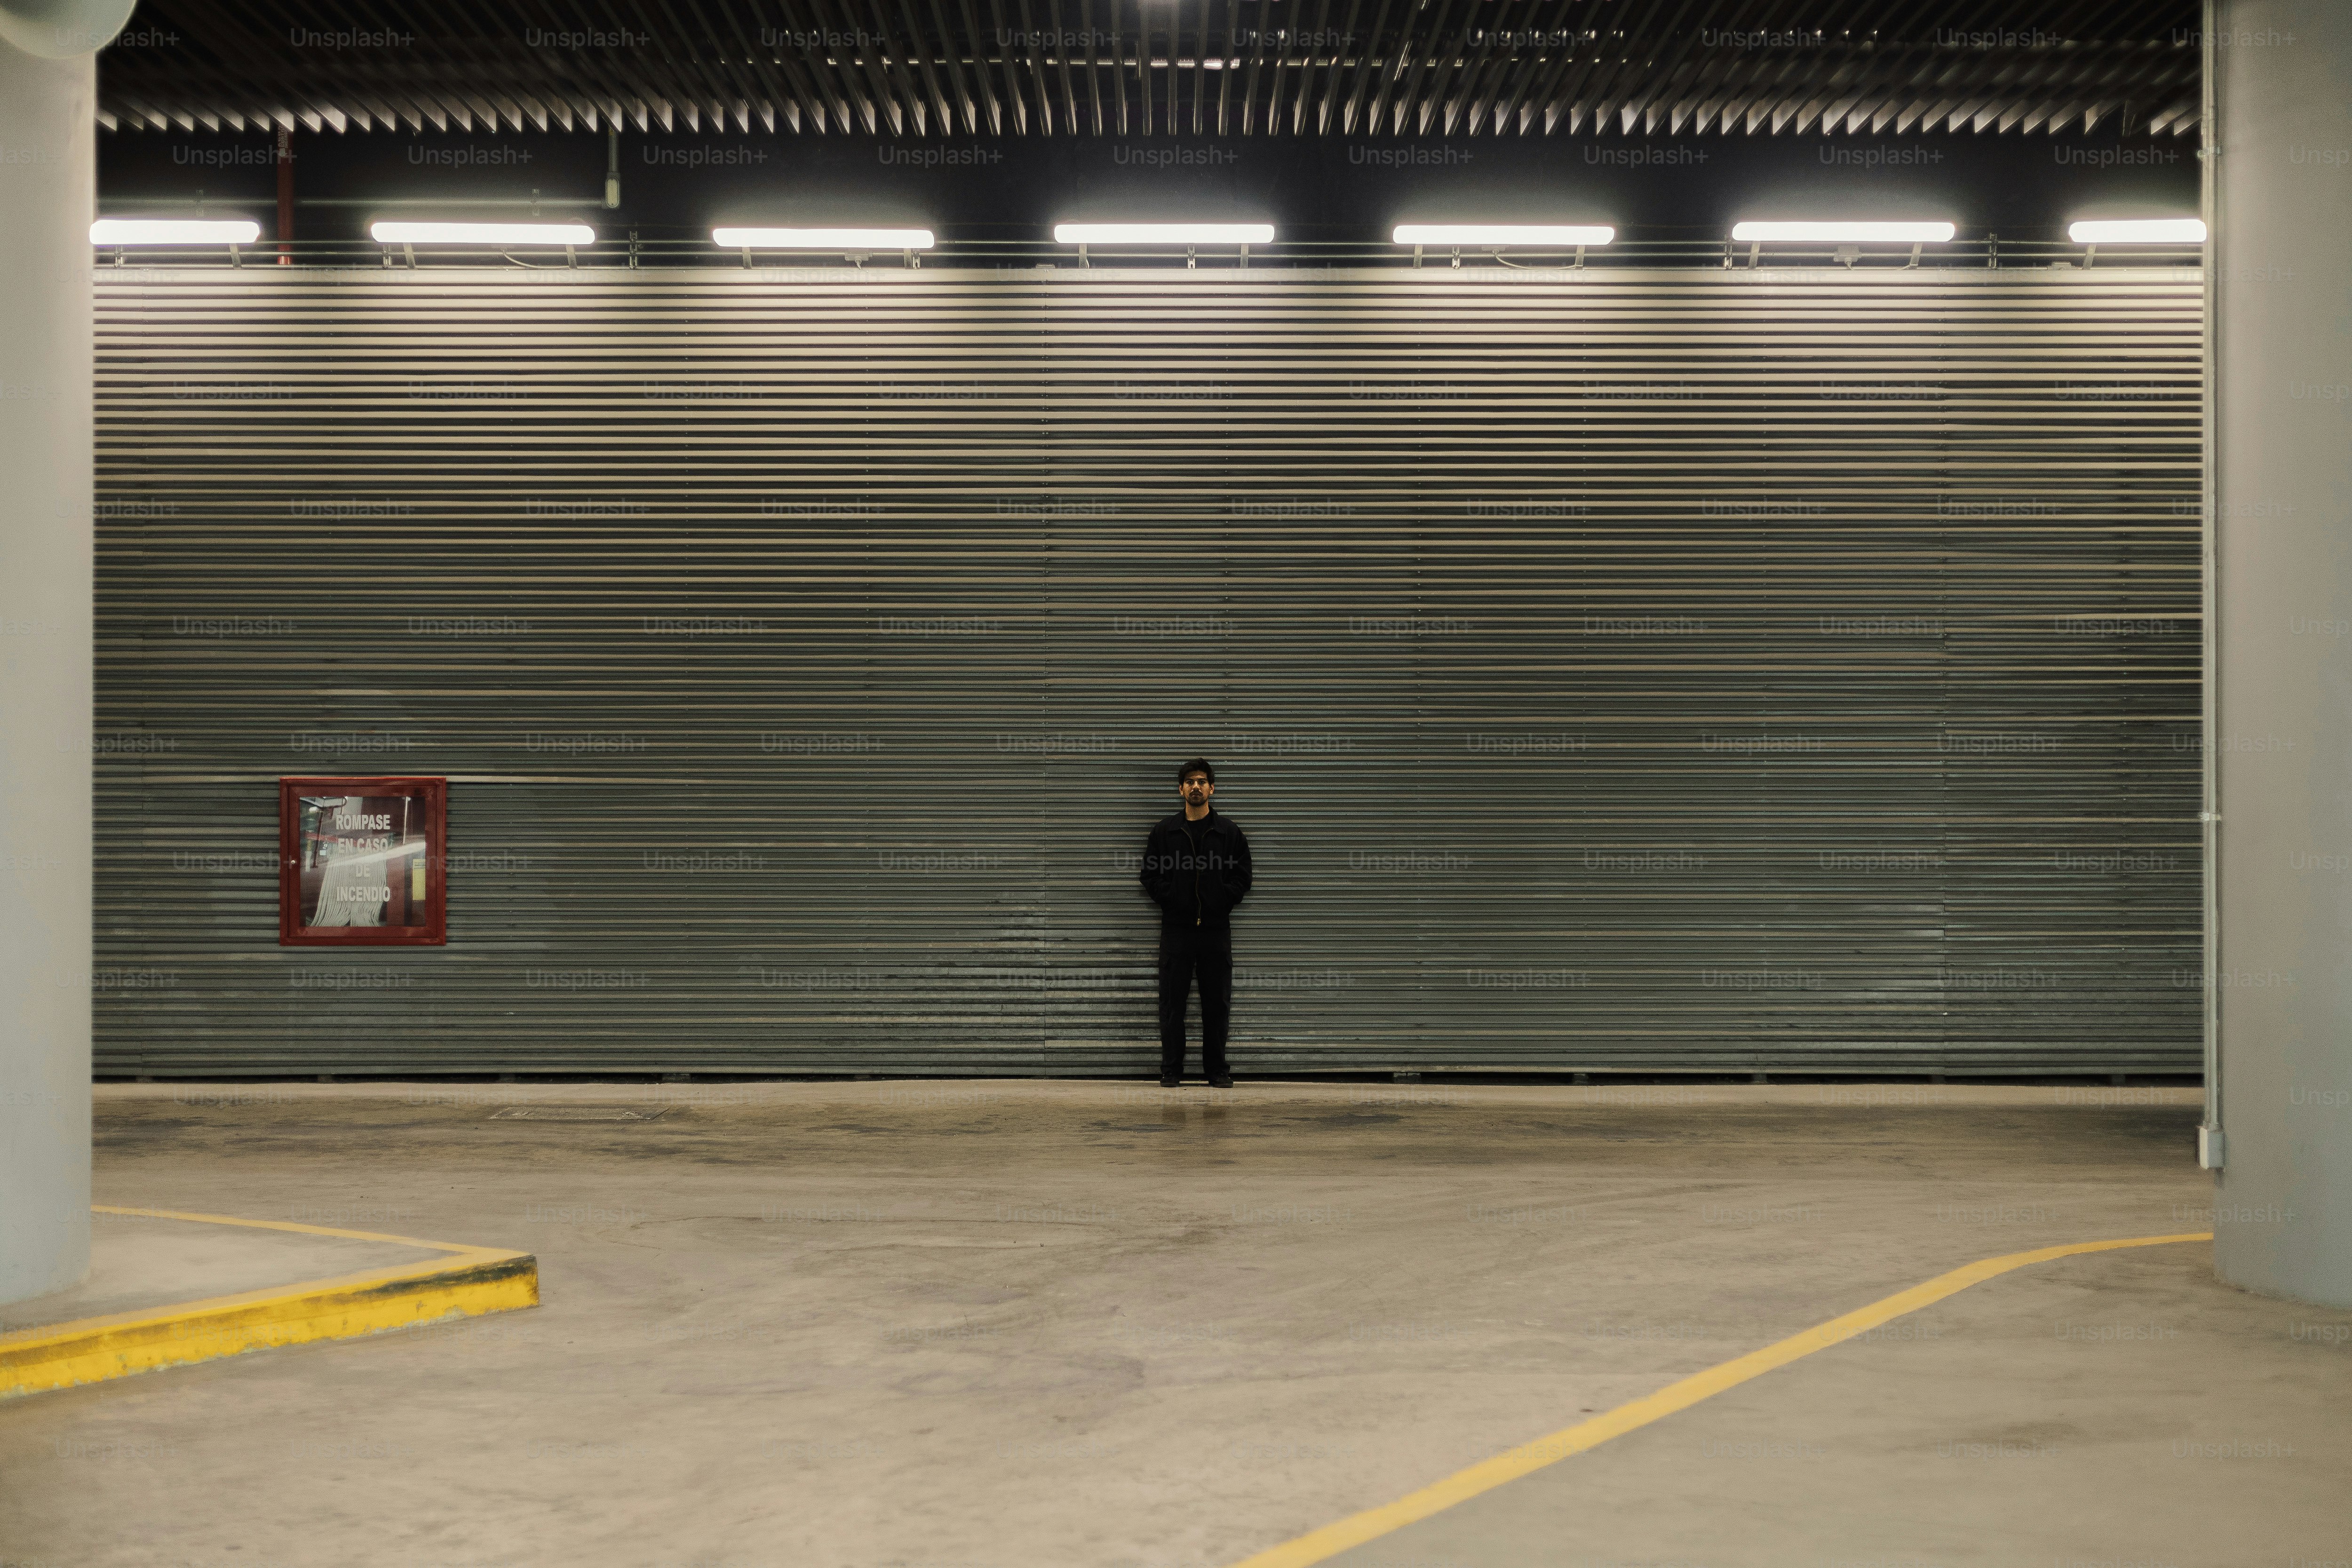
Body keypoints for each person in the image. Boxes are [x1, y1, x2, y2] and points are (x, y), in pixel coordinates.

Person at [1138, 759, 1254, 1087]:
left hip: (1216, 931)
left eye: (1202, 781)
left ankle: (1217, 1070)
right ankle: (1172, 1070)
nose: (1196, 786)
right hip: (1177, 931)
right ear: (1181, 789)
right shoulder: (1165, 832)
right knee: (1173, 1004)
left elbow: (1243, 876)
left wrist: (1221, 900)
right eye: (1190, 781)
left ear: (1212, 788)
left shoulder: (1229, 833)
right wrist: (1173, 898)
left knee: (1217, 1004)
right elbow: (1149, 875)